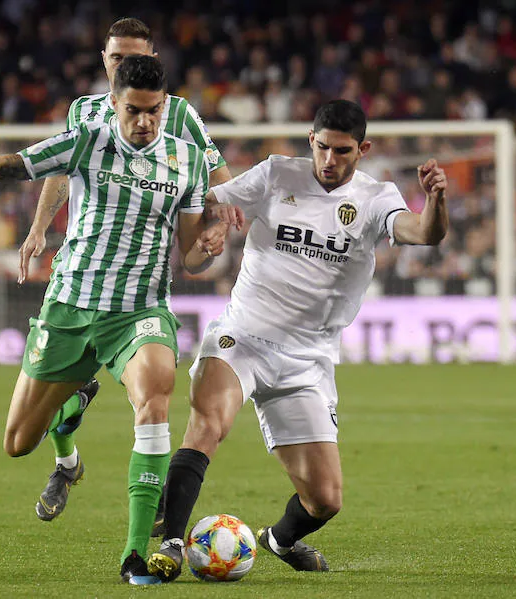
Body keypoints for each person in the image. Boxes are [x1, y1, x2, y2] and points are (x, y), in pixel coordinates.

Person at [0, 55, 231, 584]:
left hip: (138, 311)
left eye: (154, 111)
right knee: (19, 442)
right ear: (114, 103)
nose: (145, 122)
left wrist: (209, 244)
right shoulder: (85, 141)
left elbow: (191, 256)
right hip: (69, 308)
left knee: (156, 393)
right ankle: (69, 415)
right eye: (134, 111)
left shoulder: (187, 160)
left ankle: (135, 556)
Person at [146, 99, 449, 581]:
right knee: (209, 423)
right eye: (323, 147)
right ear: (312, 139)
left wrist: (434, 201)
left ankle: (279, 539)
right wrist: (216, 213)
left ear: (363, 149)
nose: (330, 160)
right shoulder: (275, 175)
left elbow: (422, 232)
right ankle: (171, 544)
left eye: (343, 151)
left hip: (307, 359)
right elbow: (208, 194)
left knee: (325, 500)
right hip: (242, 337)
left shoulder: (376, 198)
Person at [16, 17, 232, 531]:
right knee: (25, 431)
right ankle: (67, 459)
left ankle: (150, 501)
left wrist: (216, 222)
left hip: (139, 292)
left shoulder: (177, 116)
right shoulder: (85, 112)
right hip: (80, 276)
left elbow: (219, 179)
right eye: (115, 58)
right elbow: (61, 172)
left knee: (154, 395)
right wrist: (39, 228)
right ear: (104, 60)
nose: (123, 65)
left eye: (135, 58)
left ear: (154, 60)